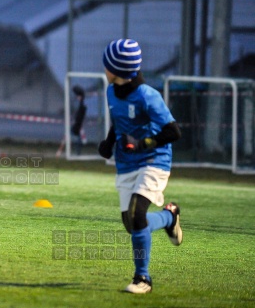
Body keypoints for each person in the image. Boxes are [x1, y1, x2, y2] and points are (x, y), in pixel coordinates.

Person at [97, 39, 183, 294]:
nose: (104, 68)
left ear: (117, 69)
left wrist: (147, 142)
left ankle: (142, 279)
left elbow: (173, 131)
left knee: (137, 215)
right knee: (132, 224)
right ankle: (169, 217)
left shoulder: (147, 96)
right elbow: (118, 122)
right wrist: (108, 142)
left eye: (107, 64)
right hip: (126, 163)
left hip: (154, 160)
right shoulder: (111, 91)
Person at [56, 85, 87, 157]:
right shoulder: (81, 106)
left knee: (70, 137)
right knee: (70, 138)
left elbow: (79, 115)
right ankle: (63, 151)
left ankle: (61, 151)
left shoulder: (82, 106)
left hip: (77, 126)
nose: (77, 98)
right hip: (77, 125)